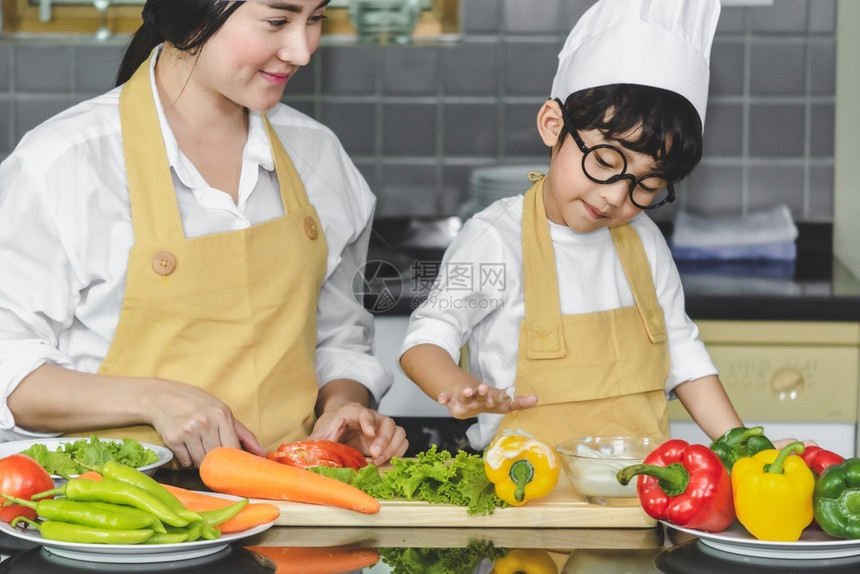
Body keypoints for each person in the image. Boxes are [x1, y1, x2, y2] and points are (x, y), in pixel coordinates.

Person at [0, 0, 408, 468]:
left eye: (315, 19)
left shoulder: (318, 152)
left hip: (295, 504)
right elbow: (8, 365)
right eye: (278, 21)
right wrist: (155, 400)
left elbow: (340, 339)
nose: (302, 51)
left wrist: (343, 407)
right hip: (114, 515)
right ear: (193, 15)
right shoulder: (66, 163)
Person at [399, 0, 747, 450]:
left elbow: (684, 356)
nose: (616, 197)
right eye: (605, 161)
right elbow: (427, 338)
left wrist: (744, 452)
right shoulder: (495, 240)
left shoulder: (644, 242)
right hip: (525, 498)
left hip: (637, 499)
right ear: (552, 124)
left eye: (649, 184)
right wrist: (456, 385)